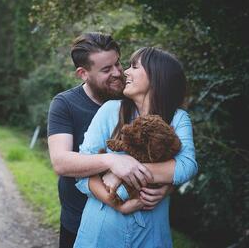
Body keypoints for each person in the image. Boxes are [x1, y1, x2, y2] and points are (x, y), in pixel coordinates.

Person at [47, 33, 172, 248]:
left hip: (137, 226)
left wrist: (167, 187)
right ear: (83, 73)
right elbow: (61, 162)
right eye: (106, 70)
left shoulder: (136, 96)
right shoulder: (65, 104)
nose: (117, 73)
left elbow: (168, 152)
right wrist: (112, 161)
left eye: (118, 63)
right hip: (78, 224)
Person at [73, 47, 198, 248]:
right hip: (101, 230)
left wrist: (123, 173)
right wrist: (117, 203)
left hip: (151, 233)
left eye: (134, 66)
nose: (125, 72)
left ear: (156, 76)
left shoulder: (178, 118)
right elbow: (82, 172)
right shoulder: (110, 110)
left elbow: (186, 166)